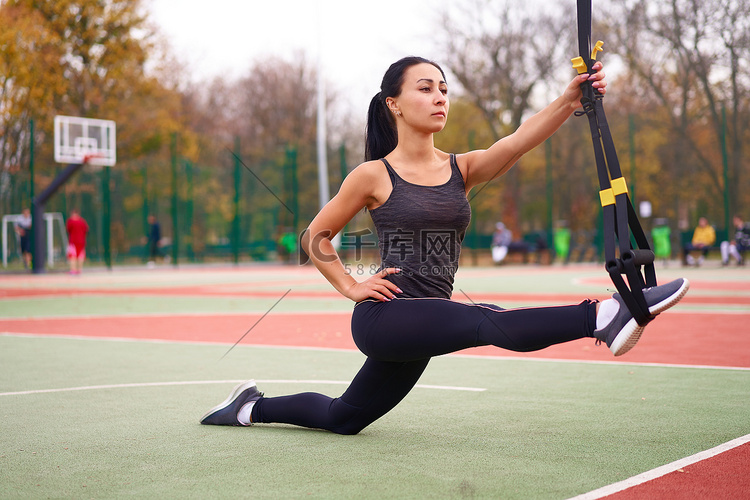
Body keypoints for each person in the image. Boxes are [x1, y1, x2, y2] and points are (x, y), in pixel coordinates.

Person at [201, 56, 689, 434]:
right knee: (487, 319)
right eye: (425, 88)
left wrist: (568, 101)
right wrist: (350, 286)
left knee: (345, 418)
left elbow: (518, 141)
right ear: (393, 102)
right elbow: (315, 236)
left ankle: (250, 406)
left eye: (444, 90)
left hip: (429, 316)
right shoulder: (374, 174)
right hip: (385, 318)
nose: (440, 98)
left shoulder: (463, 168)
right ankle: (602, 317)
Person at [66, 209, 89, 274]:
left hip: (73, 241)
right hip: (81, 241)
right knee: (80, 256)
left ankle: (73, 270)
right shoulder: (82, 221)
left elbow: (68, 229)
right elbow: (86, 230)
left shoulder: (70, 221)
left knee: (72, 256)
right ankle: (79, 270)